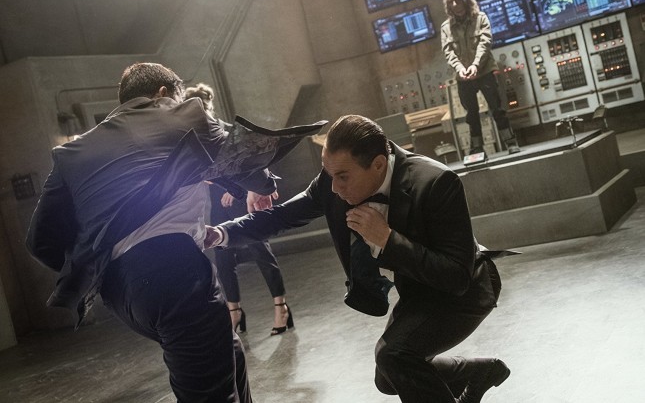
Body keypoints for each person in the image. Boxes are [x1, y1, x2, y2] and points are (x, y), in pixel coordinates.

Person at [25, 63, 324, 402]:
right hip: (176, 276)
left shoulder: (71, 153)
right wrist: (262, 186)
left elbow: (40, 241)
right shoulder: (180, 112)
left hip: (122, 295)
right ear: (164, 93)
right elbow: (242, 152)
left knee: (230, 355)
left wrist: (95, 266)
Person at [206, 114, 511, 403]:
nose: (334, 188)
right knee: (388, 377)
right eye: (329, 175)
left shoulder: (437, 182)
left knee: (395, 357)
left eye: (343, 177)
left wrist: (387, 240)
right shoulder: (334, 181)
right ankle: (476, 372)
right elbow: (283, 215)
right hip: (419, 288)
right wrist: (220, 234)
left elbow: (456, 276)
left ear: (378, 164)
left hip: (467, 290)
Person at [185, 83, 293, 336]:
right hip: (218, 206)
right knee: (223, 258)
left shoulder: (225, 131)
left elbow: (253, 163)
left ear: (206, 108)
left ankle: (281, 307)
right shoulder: (194, 138)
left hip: (241, 199)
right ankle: (235, 312)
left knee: (260, 250)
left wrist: (231, 188)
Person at [441, 0, 520, 155]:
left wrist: (476, 65)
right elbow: (448, 53)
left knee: (497, 109)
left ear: (466, 1)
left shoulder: (481, 18)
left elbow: (485, 43)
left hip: (484, 71)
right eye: (451, 2)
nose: (455, 5)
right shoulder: (446, 28)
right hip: (463, 76)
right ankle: (477, 148)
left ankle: (510, 142)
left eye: (458, 0)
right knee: (471, 115)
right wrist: (460, 69)